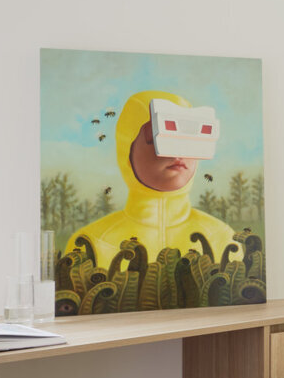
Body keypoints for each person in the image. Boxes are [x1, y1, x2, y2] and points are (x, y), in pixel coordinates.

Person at [68, 89, 236, 261]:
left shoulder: (223, 239)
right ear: (127, 149)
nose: (177, 152)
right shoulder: (91, 243)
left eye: (187, 138)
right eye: (161, 136)